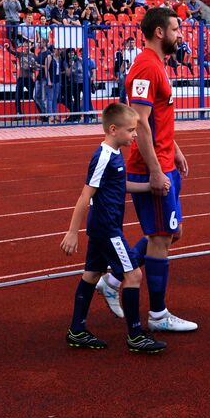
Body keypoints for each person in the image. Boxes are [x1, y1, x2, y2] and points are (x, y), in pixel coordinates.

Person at [93, 7, 197, 333]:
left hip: (165, 159)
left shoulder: (157, 66)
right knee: (161, 237)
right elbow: (139, 125)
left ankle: (111, 280)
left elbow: (157, 120)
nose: (181, 35)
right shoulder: (145, 69)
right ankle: (158, 314)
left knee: (170, 234)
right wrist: (155, 170)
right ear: (160, 32)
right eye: (177, 29)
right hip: (151, 166)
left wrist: (175, 149)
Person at [58, 103, 167, 354]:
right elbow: (85, 195)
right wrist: (72, 231)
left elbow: (119, 186)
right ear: (113, 129)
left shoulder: (116, 154)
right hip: (106, 227)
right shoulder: (104, 156)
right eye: (131, 130)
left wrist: (150, 188)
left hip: (105, 224)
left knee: (92, 274)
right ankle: (136, 335)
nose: (135, 134)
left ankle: (77, 329)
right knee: (134, 275)